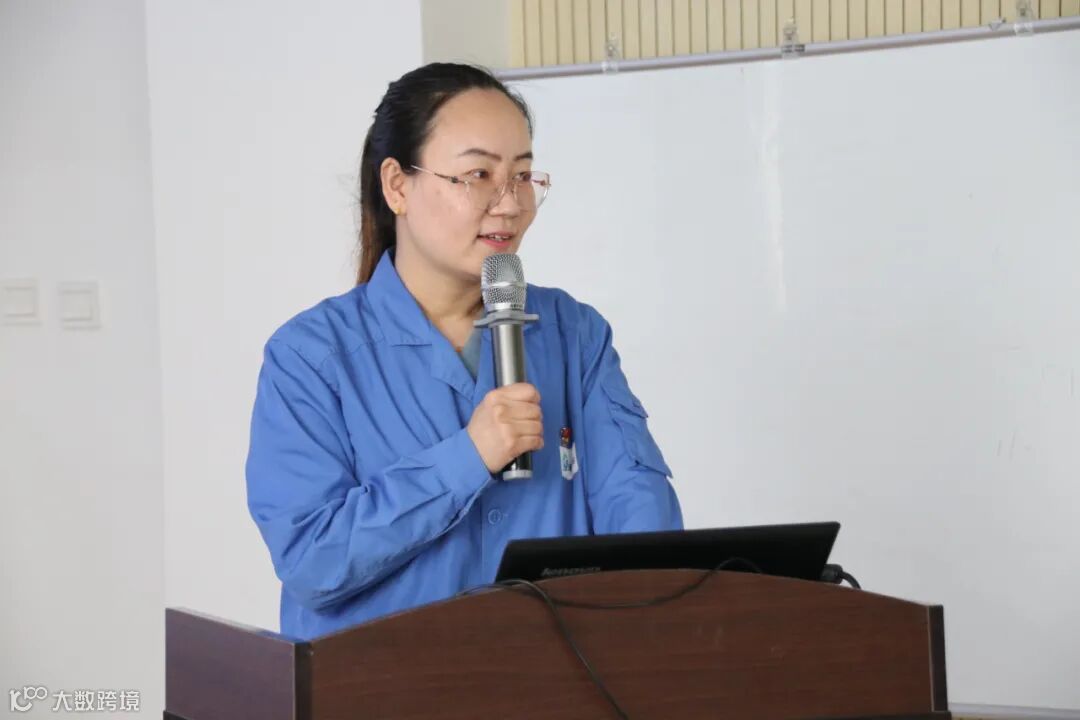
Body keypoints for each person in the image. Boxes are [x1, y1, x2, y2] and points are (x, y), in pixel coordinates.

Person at [245, 63, 682, 641]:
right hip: (380, 680)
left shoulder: (574, 334)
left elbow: (641, 520)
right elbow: (312, 561)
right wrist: (469, 456)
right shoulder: (310, 357)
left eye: (522, 176)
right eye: (478, 174)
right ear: (397, 186)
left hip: (553, 674)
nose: (510, 204)